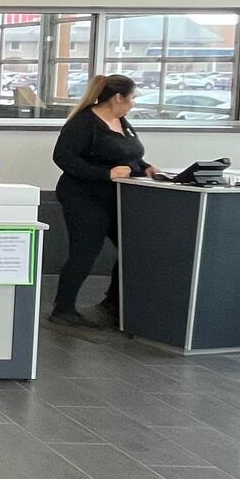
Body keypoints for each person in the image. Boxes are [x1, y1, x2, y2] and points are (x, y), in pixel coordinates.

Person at [50, 74, 160, 329]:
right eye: (132, 98)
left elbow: (129, 154)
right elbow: (63, 157)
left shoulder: (121, 121)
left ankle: (112, 301)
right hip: (84, 197)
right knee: (85, 252)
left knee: (131, 247)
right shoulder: (84, 123)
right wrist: (105, 174)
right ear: (118, 98)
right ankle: (63, 309)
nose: (133, 103)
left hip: (116, 197)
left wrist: (145, 167)